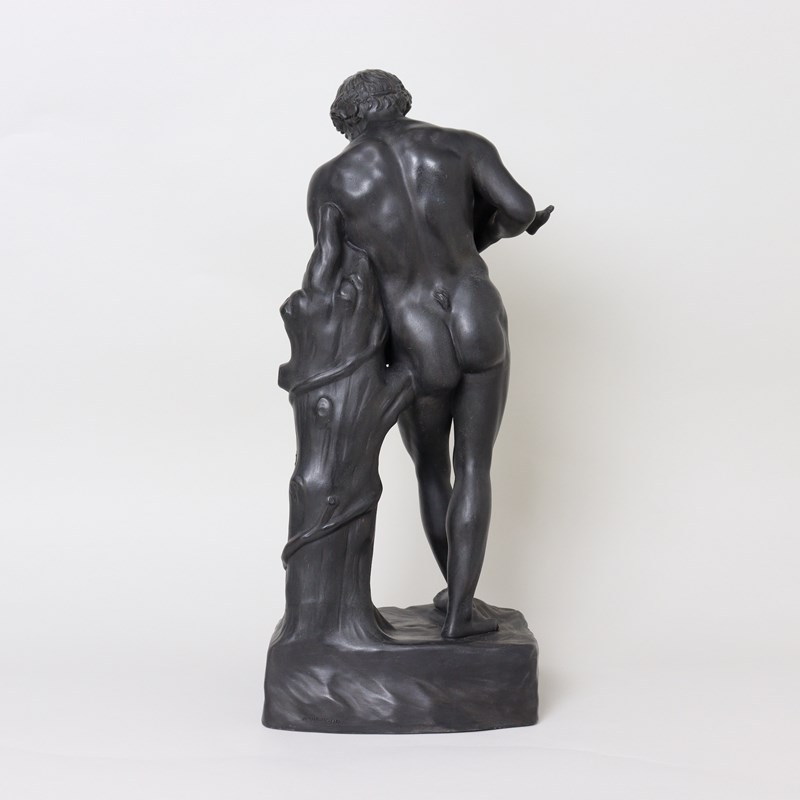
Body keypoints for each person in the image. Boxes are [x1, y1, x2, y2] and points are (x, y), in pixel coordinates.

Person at [306, 69, 553, 638]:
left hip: (414, 332)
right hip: (475, 308)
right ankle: (461, 609)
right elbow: (520, 210)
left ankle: (459, 602)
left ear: (347, 120)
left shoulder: (333, 180)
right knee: (475, 467)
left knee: (432, 469)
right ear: (400, 101)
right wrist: (472, 240)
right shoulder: (463, 146)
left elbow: (327, 277)